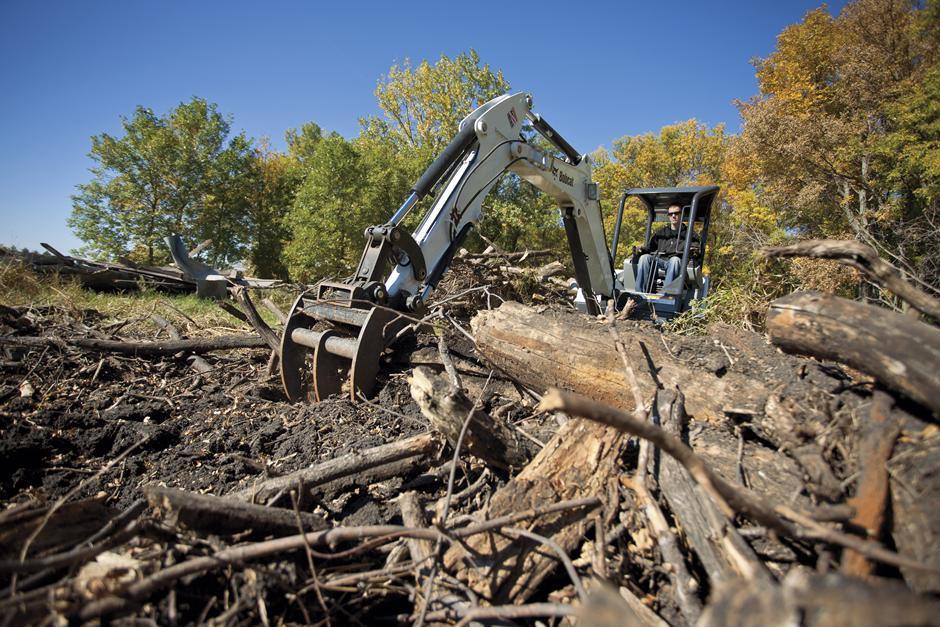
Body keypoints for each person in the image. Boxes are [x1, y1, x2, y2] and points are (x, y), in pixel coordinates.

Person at [633, 203, 700, 293]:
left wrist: (694, 250)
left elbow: (696, 249)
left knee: (674, 260)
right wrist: (641, 249)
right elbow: (649, 248)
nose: (673, 216)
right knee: (644, 258)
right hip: (661, 261)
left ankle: (666, 295)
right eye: (670, 214)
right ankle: (639, 294)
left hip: (678, 263)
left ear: (682, 214)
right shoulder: (662, 233)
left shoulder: (690, 234)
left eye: (676, 213)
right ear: (668, 216)